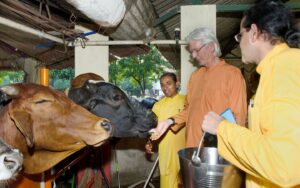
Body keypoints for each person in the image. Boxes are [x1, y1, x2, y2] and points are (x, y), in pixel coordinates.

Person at [201, 0, 300, 187]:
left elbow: (284, 164)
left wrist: (222, 128)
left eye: (240, 35)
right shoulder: (275, 68)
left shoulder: (284, 69)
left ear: (254, 32)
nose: (239, 43)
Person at [150, 27, 247, 148]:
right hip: (192, 147)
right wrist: (169, 121)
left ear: (211, 46)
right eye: (192, 52)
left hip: (217, 151)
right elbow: (189, 110)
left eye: (196, 50)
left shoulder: (232, 74)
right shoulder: (195, 76)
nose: (194, 55)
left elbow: (238, 118)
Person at [146, 72, 186, 188]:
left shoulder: (186, 101)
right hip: (166, 152)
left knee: (185, 182)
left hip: (184, 151)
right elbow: (154, 128)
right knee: (167, 183)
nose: (165, 87)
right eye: (162, 85)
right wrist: (149, 142)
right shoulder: (157, 106)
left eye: (168, 83)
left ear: (177, 83)